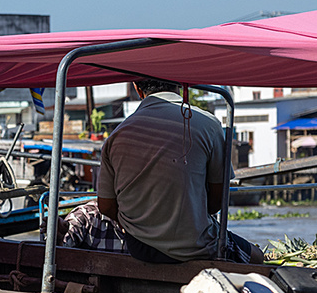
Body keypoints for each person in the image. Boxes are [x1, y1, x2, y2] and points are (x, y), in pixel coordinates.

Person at [97, 78, 260, 264]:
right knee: (257, 257)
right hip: (196, 246)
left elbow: (106, 206)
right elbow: (218, 200)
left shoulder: (116, 135)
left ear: (136, 88)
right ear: (180, 84)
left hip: (139, 247)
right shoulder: (208, 124)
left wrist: (141, 227)